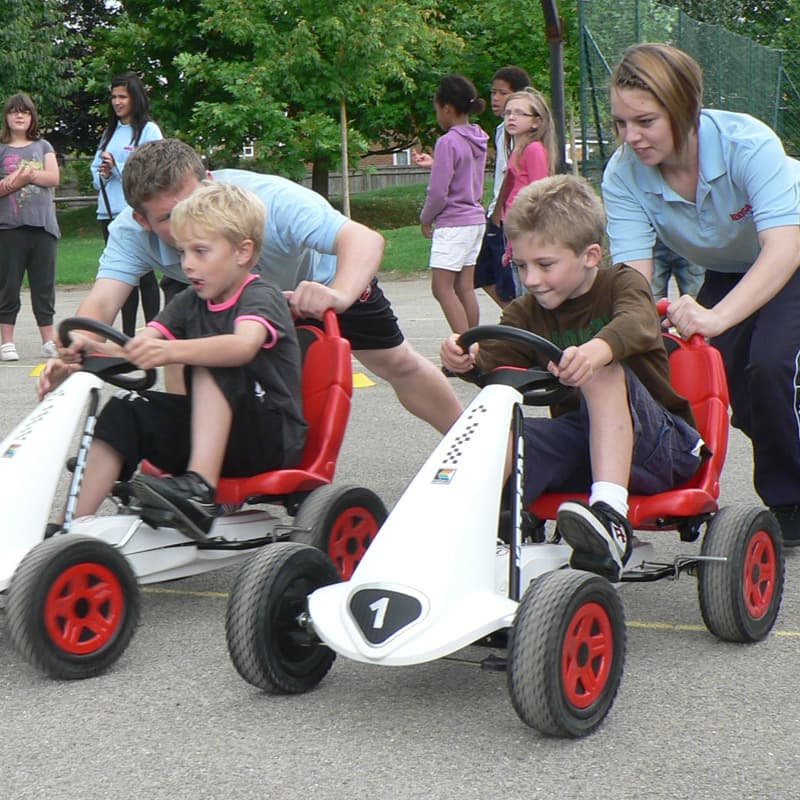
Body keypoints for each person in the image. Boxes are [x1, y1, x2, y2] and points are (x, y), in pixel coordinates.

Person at [39, 138, 462, 435]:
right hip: (236, 301)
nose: (190, 220)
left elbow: (365, 239)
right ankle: (198, 473)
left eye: (195, 199)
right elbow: (101, 305)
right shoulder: (129, 233)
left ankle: (472, 449)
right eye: (170, 218)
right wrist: (77, 349)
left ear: (210, 178)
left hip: (318, 289)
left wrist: (337, 293)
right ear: (142, 220)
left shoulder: (270, 200)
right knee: (182, 354)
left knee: (396, 363)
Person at [441, 175, 704, 581]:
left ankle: (612, 519)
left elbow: (638, 322)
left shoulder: (621, 283)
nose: (531, 279)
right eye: (523, 265)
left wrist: (594, 352)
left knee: (599, 370)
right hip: (582, 443)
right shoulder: (528, 311)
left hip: (659, 447)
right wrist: (467, 357)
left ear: (590, 255)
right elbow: (496, 361)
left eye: (545, 265)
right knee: (497, 431)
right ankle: (468, 539)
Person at [601, 42, 800, 547]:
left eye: (644, 121)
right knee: (733, 383)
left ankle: (787, 502)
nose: (631, 137)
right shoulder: (623, 172)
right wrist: (621, 337)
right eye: (621, 122)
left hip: (790, 252)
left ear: (683, 107)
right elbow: (631, 277)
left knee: (773, 364)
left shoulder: (746, 143)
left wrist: (714, 318)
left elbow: (782, 249)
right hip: (730, 268)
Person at [54, 182, 307, 540]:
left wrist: (174, 351)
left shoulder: (260, 296)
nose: (187, 264)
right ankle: (72, 532)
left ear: (242, 251)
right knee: (126, 408)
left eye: (200, 251)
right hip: (213, 435)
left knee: (211, 358)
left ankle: (201, 492)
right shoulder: (189, 301)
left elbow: (242, 347)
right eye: (183, 251)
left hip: (268, 438)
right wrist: (88, 349)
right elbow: (138, 347)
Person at [90, 72, 163, 337]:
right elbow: (95, 170)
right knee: (122, 275)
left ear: (135, 98)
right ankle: (128, 335)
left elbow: (153, 169)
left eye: (123, 96)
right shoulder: (110, 132)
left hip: (134, 211)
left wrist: (119, 168)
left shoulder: (148, 130)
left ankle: (155, 331)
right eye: (114, 97)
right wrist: (104, 172)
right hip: (107, 211)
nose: (117, 102)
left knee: (144, 275)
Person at [418, 75, 488, 336]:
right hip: (475, 220)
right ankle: (476, 343)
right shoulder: (478, 137)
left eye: (437, 109)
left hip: (454, 223)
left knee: (442, 288)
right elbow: (461, 173)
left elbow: (438, 192)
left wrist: (426, 218)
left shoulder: (447, 141)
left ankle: (465, 348)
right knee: (465, 287)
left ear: (447, 108)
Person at [0, 92, 60, 361]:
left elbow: (53, 177)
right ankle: (7, 341)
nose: (19, 115)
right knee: (8, 285)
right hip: (9, 229)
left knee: (44, 286)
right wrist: (16, 182)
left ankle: (48, 339)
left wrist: (28, 174)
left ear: (32, 117)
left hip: (43, 227)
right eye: (14, 111)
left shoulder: (43, 146)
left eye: (25, 111)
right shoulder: (1, 149)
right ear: (7, 116)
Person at [490, 87, 558, 292]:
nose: (512, 117)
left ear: (536, 121)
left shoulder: (533, 150)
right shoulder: (516, 151)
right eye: (508, 112)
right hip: (515, 235)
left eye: (520, 113)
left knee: (529, 299)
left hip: (529, 237)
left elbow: (540, 196)